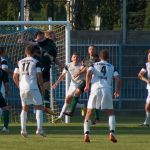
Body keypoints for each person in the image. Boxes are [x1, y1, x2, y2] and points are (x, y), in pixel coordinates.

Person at [83, 50, 121, 143]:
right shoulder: (112, 67)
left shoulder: (94, 64)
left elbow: (88, 73)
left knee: (89, 112)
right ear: (108, 58)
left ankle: (86, 134)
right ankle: (112, 133)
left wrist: (87, 85)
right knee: (110, 113)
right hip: (106, 89)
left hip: (95, 89)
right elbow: (118, 80)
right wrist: (117, 91)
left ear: (99, 57)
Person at [13, 45, 45, 137]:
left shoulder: (19, 62)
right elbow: (39, 75)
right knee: (39, 107)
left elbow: (15, 76)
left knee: (24, 108)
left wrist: (19, 86)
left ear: (25, 52)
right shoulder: (36, 62)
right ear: (34, 52)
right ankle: (39, 129)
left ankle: (23, 130)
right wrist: (42, 87)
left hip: (22, 87)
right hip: (33, 87)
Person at [52, 53, 86, 121]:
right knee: (67, 100)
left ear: (79, 59)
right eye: (74, 57)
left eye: (77, 57)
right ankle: (82, 106)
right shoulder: (68, 65)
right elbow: (62, 75)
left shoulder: (82, 65)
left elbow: (86, 70)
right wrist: (56, 83)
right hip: (72, 84)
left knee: (72, 99)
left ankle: (60, 117)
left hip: (81, 83)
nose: (75, 58)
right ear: (71, 58)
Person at [138, 49, 150, 127]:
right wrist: (147, 81)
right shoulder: (146, 65)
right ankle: (147, 122)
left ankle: (147, 122)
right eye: (149, 55)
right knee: (147, 105)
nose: (149, 57)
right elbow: (140, 75)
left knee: (148, 105)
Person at [0, 68, 10, 132]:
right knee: (5, 108)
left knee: (5, 108)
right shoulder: (3, 72)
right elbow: (6, 84)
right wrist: (7, 91)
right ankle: (5, 127)